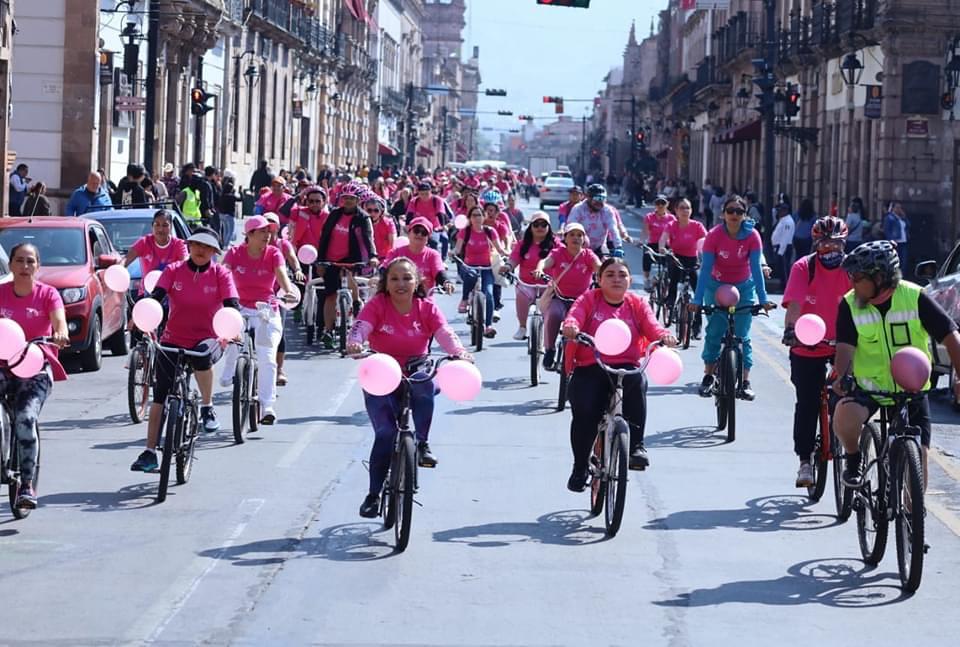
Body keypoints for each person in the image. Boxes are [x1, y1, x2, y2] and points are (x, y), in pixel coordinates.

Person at [347, 258, 472, 517]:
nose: (401, 283)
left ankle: (422, 444)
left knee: (425, 385)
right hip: (381, 373)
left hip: (416, 369)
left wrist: (459, 352)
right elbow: (360, 327)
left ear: (417, 282)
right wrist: (355, 342)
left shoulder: (427, 308)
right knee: (385, 433)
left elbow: (445, 334)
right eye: (394, 278)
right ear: (386, 283)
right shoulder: (377, 305)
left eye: (407, 278)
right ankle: (373, 495)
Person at [831, 240, 960, 489]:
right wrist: (843, 377)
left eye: (858, 277)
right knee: (844, 416)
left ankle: (912, 519)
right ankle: (854, 458)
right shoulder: (849, 304)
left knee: (918, 467)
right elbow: (845, 347)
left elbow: (950, 336)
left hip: (912, 391)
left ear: (880, 277)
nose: (852, 283)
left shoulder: (915, 297)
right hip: (869, 388)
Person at [129, 227, 238, 473]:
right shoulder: (174, 270)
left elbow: (232, 305)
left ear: (214, 251)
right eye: (197, 245)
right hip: (173, 337)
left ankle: (207, 408)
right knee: (160, 395)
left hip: (207, 337)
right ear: (189, 246)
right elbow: (156, 297)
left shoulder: (221, 274)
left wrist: (234, 328)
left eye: (207, 247)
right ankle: (149, 452)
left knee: (201, 358)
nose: (201, 250)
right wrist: (140, 316)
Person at [562, 257, 677, 487]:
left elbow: (652, 325)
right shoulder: (590, 299)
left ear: (629, 279)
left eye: (622, 274)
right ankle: (580, 466)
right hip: (592, 364)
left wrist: (663, 336)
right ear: (599, 279)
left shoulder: (637, 303)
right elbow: (574, 315)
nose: (616, 279)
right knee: (586, 414)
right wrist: (571, 327)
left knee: (638, 383)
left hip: (627, 365)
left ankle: (636, 446)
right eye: (610, 275)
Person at [780, 216, 851, 488]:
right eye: (824, 244)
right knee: (808, 402)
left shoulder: (851, 270)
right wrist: (791, 331)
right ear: (816, 245)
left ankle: (849, 450)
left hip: (844, 344)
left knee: (848, 394)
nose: (830, 250)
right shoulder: (803, 267)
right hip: (808, 344)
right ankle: (805, 461)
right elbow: (794, 305)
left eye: (836, 244)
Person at [0, 243, 70, 508]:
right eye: (19, 261)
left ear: (38, 266)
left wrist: (60, 333)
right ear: (11, 265)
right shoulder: (1, 293)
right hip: (3, 365)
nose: (25, 266)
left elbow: (59, 320)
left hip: (35, 368)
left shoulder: (48, 295)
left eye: (30, 262)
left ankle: (26, 485)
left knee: (25, 419)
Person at [693, 195, 775, 401]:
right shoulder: (714, 235)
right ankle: (708, 376)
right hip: (716, 286)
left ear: (744, 215)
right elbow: (705, 270)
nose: (735, 215)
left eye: (739, 212)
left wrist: (763, 299)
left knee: (743, 335)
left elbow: (756, 269)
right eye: (731, 211)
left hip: (744, 287)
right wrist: (697, 300)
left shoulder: (752, 236)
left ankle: (745, 382)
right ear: (723, 214)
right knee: (714, 331)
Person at [219, 216, 297, 424]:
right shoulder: (235, 253)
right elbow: (224, 273)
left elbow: (281, 275)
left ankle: (267, 406)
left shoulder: (273, 253)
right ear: (250, 234)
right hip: (240, 306)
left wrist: (288, 291)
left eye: (269, 231)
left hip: (266, 309)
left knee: (267, 357)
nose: (267, 235)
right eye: (262, 231)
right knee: (234, 338)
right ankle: (230, 369)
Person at [315, 182, 379, 350]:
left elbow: (368, 238)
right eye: (345, 198)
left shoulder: (363, 217)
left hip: (351, 257)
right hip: (330, 258)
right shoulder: (334, 215)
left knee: (349, 277)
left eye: (351, 199)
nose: (348, 201)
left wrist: (373, 256)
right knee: (330, 295)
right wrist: (320, 260)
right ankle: (328, 331)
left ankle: (356, 301)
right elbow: (324, 237)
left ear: (358, 200)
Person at [535, 223, 602, 370]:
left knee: (586, 325)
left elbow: (599, 266)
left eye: (579, 235)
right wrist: (539, 269)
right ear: (565, 238)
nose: (576, 238)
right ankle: (550, 349)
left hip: (581, 302)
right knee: (552, 314)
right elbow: (545, 262)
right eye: (572, 235)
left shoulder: (588, 255)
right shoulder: (558, 253)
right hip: (558, 297)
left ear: (584, 239)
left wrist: (607, 274)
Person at [452, 205, 509, 339]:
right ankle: (465, 299)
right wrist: (452, 253)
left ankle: (488, 326)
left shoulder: (490, 231)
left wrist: (508, 254)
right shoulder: (465, 232)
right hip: (469, 266)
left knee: (489, 294)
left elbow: (500, 249)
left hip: (486, 268)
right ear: (470, 218)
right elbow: (458, 249)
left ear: (484, 217)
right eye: (474, 215)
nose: (477, 218)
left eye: (479, 215)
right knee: (471, 275)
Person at [499, 212, 558, 340]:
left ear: (549, 227)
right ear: (530, 227)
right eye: (536, 224)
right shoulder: (522, 244)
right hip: (526, 284)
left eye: (543, 224)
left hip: (548, 285)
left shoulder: (556, 244)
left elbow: (565, 256)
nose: (540, 228)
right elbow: (514, 258)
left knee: (554, 307)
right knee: (521, 295)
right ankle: (522, 327)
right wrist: (508, 266)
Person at [660, 198, 706, 332]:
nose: (685, 211)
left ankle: (697, 323)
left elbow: (706, 240)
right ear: (676, 211)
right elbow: (663, 238)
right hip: (676, 258)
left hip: (692, 259)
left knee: (698, 291)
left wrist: (708, 253)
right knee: (673, 279)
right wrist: (663, 248)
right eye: (682, 208)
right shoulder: (671, 225)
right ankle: (671, 301)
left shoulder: (697, 226)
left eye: (688, 208)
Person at [124, 209, 189, 297]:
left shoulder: (179, 244)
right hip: (147, 294)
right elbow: (125, 260)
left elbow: (186, 266)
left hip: (172, 294)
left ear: (171, 227)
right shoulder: (144, 242)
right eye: (157, 224)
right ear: (152, 226)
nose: (160, 229)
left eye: (165, 225)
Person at [386, 216, 452, 295]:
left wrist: (446, 282)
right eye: (416, 231)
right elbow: (385, 268)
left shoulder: (433, 255)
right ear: (409, 233)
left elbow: (439, 272)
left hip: (424, 301)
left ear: (428, 238)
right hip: (398, 299)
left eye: (424, 233)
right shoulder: (396, 252)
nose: (419, 234)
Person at [565, 184, 623, 257]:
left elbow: (613, 229)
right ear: (588, 198)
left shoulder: (607, 211)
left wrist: (618, 246)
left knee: (608, 264)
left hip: (600, 247)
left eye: (603, 199)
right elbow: (570, 227)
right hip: (579, 247)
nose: (600, 202)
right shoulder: (578, 209)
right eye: (597, 198)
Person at [643, 194, 678, 290]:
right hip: (653, 244)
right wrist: (641, 241)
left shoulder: (672, 218)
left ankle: (668, 281)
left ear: (667, 204)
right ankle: (647, 279)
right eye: (658, 203)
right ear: (655, 205)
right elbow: (645, 231)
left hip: (666, 245)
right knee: (646, 255)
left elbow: (675, 233)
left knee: (672, 262)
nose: (660, 205)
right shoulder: (649, 217)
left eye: (663, 203)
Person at [770, 203, 795, 282]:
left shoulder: (787, 222)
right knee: (781, 269)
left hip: (784, 247)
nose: (779, 213)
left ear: (785, 211)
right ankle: (783, 285)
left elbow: (785, 237)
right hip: (780, 247)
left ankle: (785, 286)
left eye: (780, 211)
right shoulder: (783, 220)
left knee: (784, 269)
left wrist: (781, 252)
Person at [883, 201, 910, 274]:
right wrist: (890, 240)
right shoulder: (890, 217)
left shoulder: (901, 218)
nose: (899, 209)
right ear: (893, 208)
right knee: (895, 261)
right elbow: (887, 230)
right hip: (895, 242)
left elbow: (908, 225)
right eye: (897, 207)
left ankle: (902, 276)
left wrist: (904, 217)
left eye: (900, 208)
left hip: (903, 242)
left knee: (903, 261)